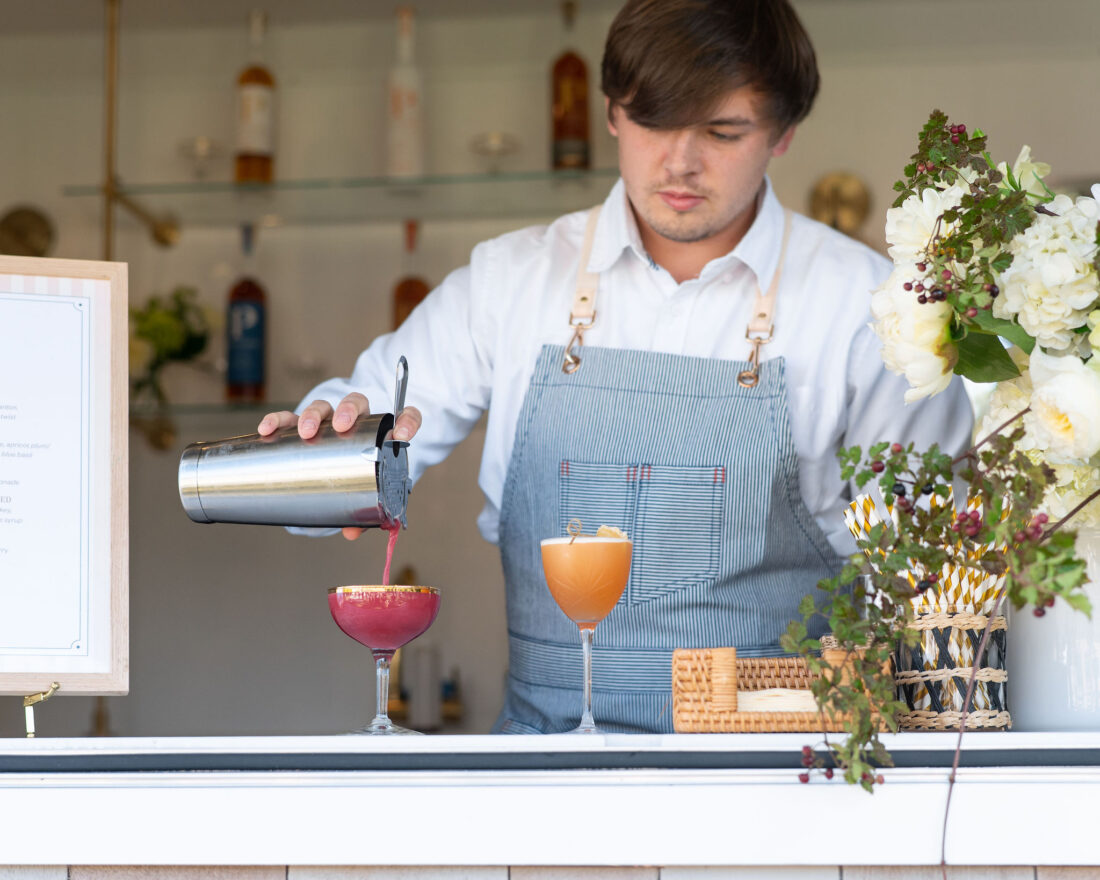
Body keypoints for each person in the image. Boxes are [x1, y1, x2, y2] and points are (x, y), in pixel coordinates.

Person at [259, 0, 973, 734]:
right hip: (545, 784)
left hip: (780, 783)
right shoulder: (510, 282)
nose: (681, 163)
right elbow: (367, 428)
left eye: (723, 132)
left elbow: (930, 584)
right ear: (610, 113)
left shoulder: (873, 309)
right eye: (654, 122)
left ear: (784, 133)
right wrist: (319, 450)